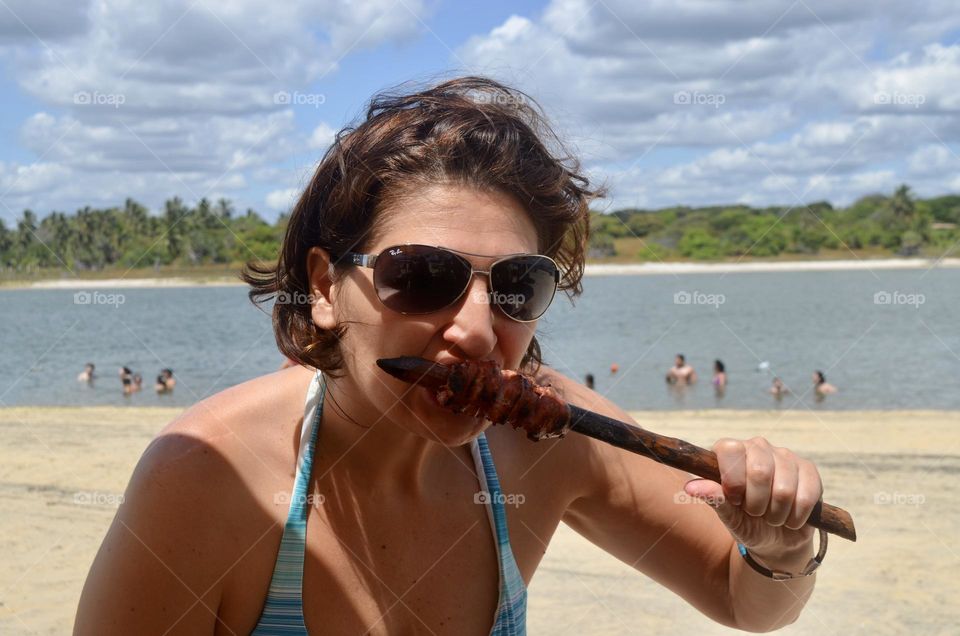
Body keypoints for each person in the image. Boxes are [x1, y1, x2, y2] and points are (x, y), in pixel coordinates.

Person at [76, 77, 826, 634]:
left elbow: (744, 599)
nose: (474, 331)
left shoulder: (544, 442)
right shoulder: (212, 478)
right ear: (324, 288)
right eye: (421, 276)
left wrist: (781, 549)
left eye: (516, 286)